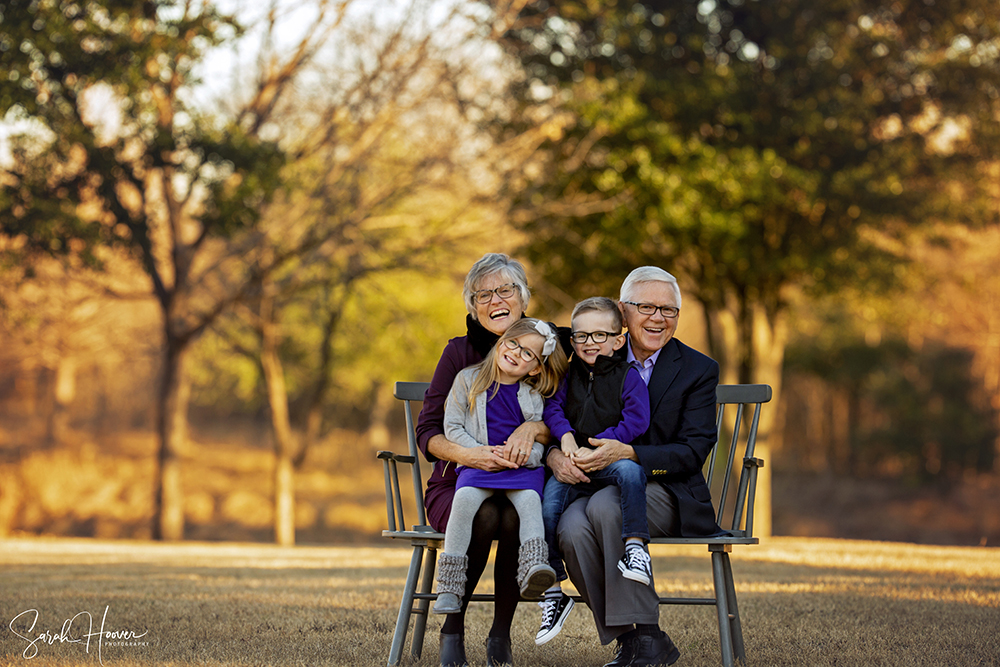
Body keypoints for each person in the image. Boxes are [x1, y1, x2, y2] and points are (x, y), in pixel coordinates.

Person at [547, 267, 722, 667]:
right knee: (570, 527)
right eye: (646, 307)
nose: (658, 318)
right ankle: (639, 639)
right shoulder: (590, 354)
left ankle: (644, 637)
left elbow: (693, 450)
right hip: (591, 484)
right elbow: (533, 382)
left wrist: (629, 454)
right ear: (621, 313)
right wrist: (556, 454)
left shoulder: (698, 370)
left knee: (607, 508)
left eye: (669, 310)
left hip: (667, 490)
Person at [415, 253, 554, 667]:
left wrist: (533, 430)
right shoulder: (459, 356)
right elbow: (428, 432)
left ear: (523, 297)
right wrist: (470, 455)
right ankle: (452, 628)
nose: (496, 299)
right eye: (483, 294)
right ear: (472, 306)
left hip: (518, 473)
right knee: (487, 516)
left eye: (505, 289)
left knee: (513, 515)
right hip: (459, 480)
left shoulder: (544, 348)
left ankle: (500, 635)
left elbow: (561, 416)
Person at [535, 297, 652, 646]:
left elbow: (637, 419)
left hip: (608, 457)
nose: (589, 343)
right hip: (571, 462)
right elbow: (552, 409)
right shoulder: (567, 373)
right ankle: (554, 590)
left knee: (632, 474)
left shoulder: (628, 375)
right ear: (571, 340)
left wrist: (602, 445)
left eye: (600, 335)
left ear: (619, 340)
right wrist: (566, 438)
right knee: (548, 507)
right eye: (581, 336)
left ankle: (636, 549)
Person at [433, 318, 568, 617]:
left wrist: (523, 457)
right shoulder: (468, 380)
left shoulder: (531, 393)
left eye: (527, 353)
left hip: (519, 468)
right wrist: (478, 452)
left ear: (535, 368)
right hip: (478, 462)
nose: (516, 353)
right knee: (464, 501)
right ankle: (449, 585)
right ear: (501, 340)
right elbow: (452, 427)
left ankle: (534, 568)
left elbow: (539, 444)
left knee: (531, 502)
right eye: (513, 343)